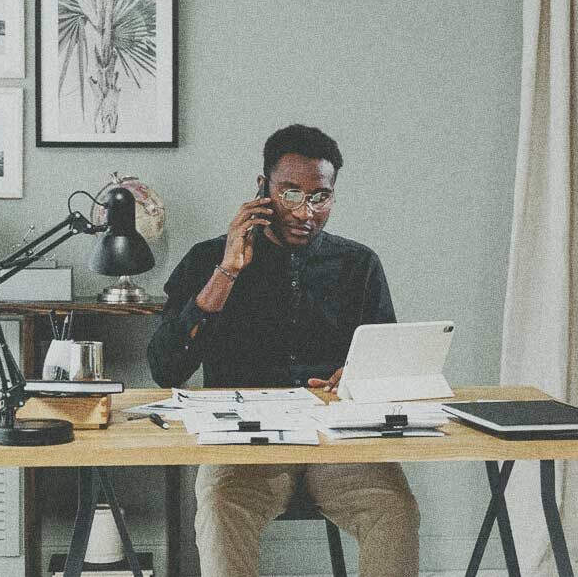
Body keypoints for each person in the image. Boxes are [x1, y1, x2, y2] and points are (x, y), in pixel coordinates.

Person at [147, 124, 420, 577]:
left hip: (336, 440)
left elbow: (382, 368)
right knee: (219, 510)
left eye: (320, 197)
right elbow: (165, 369)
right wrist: (228, 271)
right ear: (262, 190)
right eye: (290, 194)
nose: (305, 212)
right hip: (243, 442)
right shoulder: (207, 259)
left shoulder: (359, 264)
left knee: (396, 510)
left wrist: (354, 377)